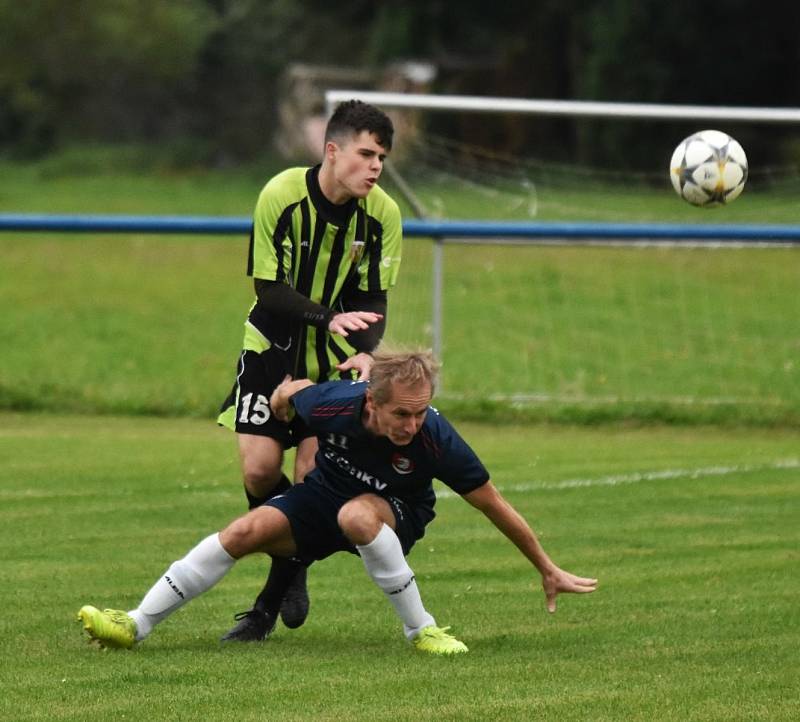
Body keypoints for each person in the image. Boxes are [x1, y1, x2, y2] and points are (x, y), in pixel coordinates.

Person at [77, 349, 598, 655]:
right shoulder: (335, 403)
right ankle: (134, 624)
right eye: (402, 415)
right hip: (321, 497)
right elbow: (293, 393)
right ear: (371, 401)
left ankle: (423, 630)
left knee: (356, 515)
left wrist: (546, 567)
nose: (412, 424)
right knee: (242, 533)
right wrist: (281, 401)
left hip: (395, 513)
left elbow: (493, 504)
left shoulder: (436, 437)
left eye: (420, 413)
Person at [215, 99, 401, 641]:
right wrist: (328, 316)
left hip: (333, 364)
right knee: (256, 470)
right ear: (332, 149)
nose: (375, 167)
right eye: (366, 154)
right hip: (271, 346)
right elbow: (268, 291)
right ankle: (295, 554)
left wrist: (367, 349)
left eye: (382, 158)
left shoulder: (383, 214)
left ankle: (269, 602)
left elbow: (374, 299)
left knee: (310, 479)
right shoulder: (281, 194)